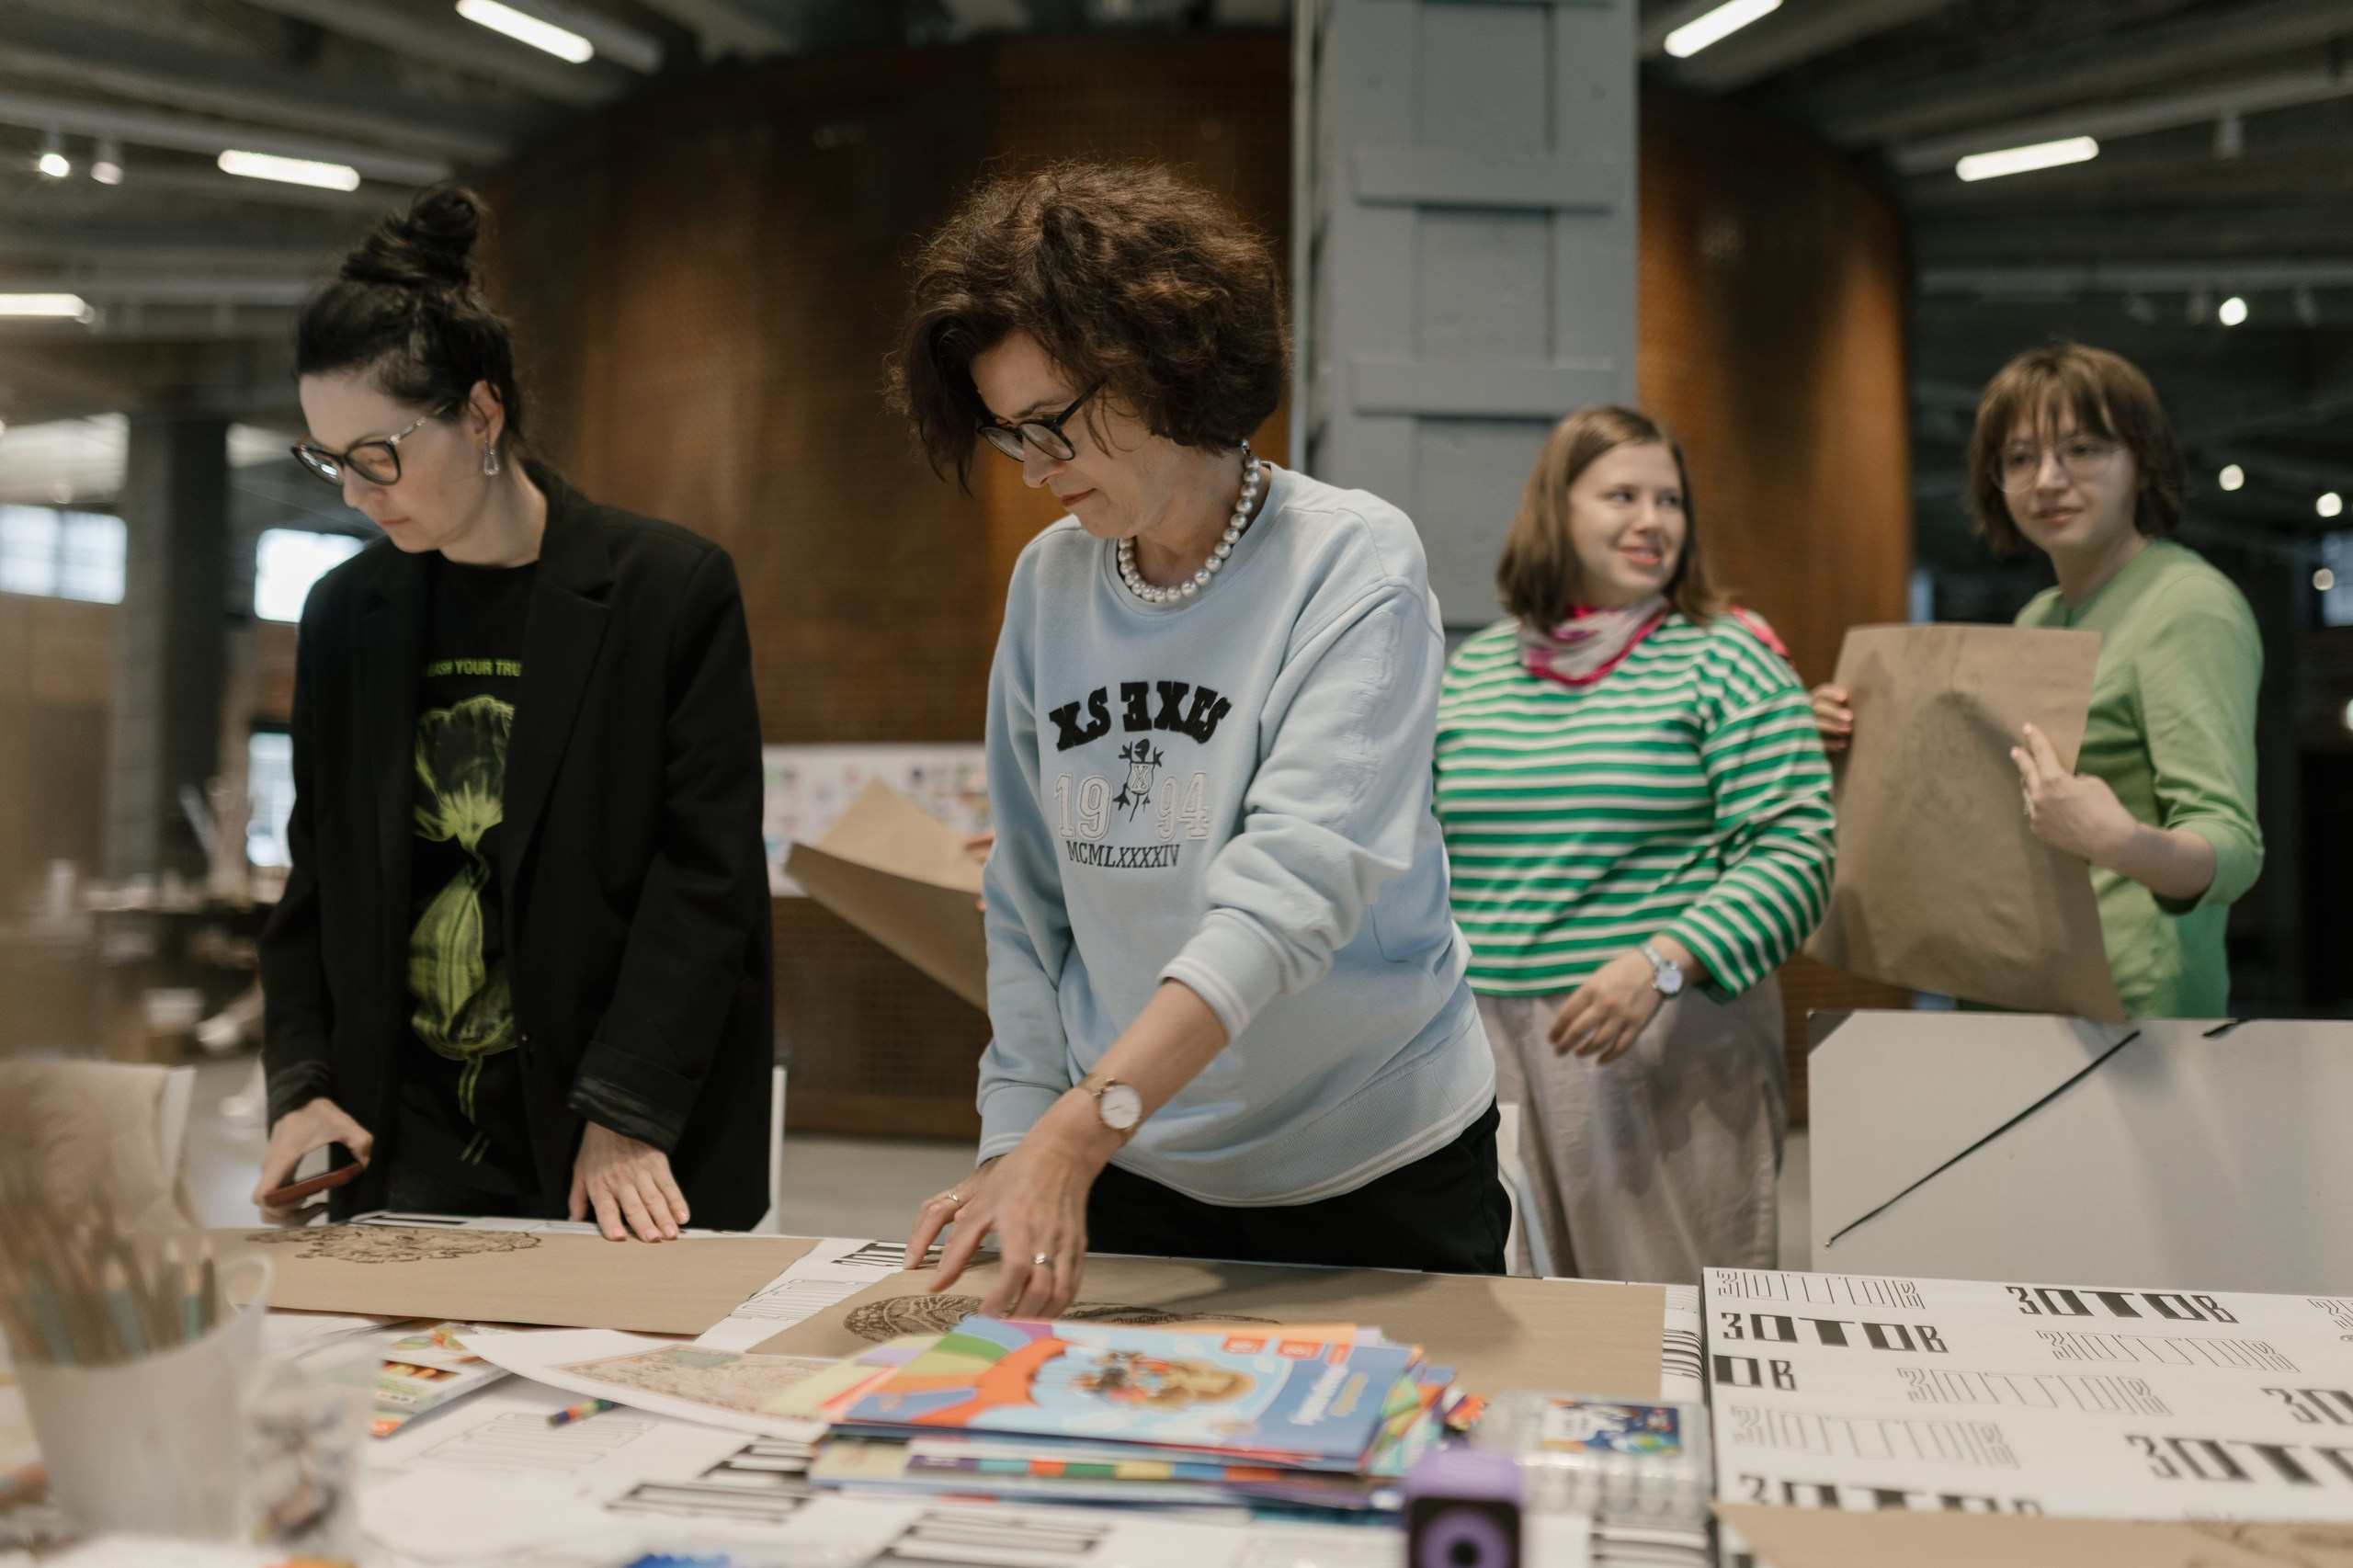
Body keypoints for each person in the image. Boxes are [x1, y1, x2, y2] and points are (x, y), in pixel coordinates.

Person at [894, 164, 1506, 1318]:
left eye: (1051, 425)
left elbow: (1293, 890)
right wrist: (1020, 1130)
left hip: (1372, 1160)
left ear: (1159, 363)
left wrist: (1081, 1125)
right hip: (1134, 1161)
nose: (1031, 470)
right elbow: (1029, 899)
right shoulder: (1049, 585)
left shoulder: (1353, 560)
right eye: (1005, 435)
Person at [253, 187, 774, 1239]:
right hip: (402, 1137)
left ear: (481, 415)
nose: (355, 493)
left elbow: (706, 875)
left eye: (377, 455)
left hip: (613, 1134)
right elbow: (319, 877)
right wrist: (302, 1079)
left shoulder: (666, 590)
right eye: (329, 458)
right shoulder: (348, 614)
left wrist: (625, 1106)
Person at [1432, 406, 1834, 1285]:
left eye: (1670, 500)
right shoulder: (1475, 670)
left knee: (1667, 1332)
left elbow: (1795, 849)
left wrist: (1662, 962)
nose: (1652, 521)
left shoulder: (1727, 658)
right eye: (1622, 495)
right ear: (1557, 511)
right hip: (1483, 1058)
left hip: (1660, 1035)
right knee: (1514, 1321)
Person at [1811, 343, 2261, 1017]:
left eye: (2083, 450)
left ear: (2142, 464)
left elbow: (2232, 846)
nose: (2048, 478)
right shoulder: (2041, 615)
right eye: (2021, 458)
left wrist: (2120, 841)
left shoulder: (2186, 606)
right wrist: (1859, 738)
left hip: (2130, 1016)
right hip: (2013, 988)